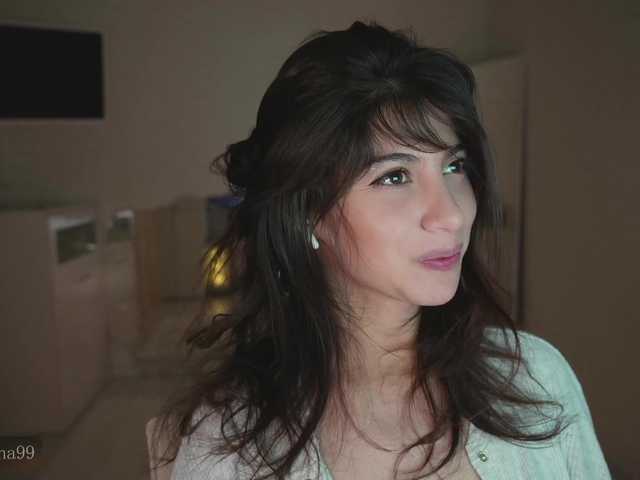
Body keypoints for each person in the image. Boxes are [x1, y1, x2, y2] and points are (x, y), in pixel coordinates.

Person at [149, 20, 612, 480]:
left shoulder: (537, 376)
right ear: (308, 212)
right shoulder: (227, 449)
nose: (451, 214)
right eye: (394, 176)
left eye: (454, 166)